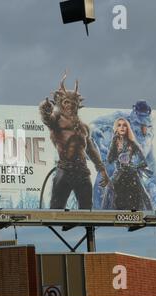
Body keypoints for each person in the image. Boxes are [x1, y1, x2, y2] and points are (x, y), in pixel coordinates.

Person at [39, 73, 109, 210]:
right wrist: (45, 109)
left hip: (82, 172)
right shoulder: (57, 120)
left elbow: (91, 150)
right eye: (66, 102)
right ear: (60, 104)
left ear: (77, 105)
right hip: (64, 170)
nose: (70, 105)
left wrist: (102, 170)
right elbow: (47, 119)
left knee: (87, 209)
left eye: (73, 103)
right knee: (55, 210)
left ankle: (89, 231)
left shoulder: (83, 127)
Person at [103, 118, 153, 210]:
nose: (122, 127)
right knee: (108, 191)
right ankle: (103, 217)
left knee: (143, 195)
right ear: (116, 128)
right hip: (118, 174)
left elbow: (144, 162)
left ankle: (152, 214)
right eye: (119, 125)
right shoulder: (114, 142)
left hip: (132, 175)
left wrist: (133, 166)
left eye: (124, 125)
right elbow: (109, 159)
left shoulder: (132, 143)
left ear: (127, 128)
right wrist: (113, 142)